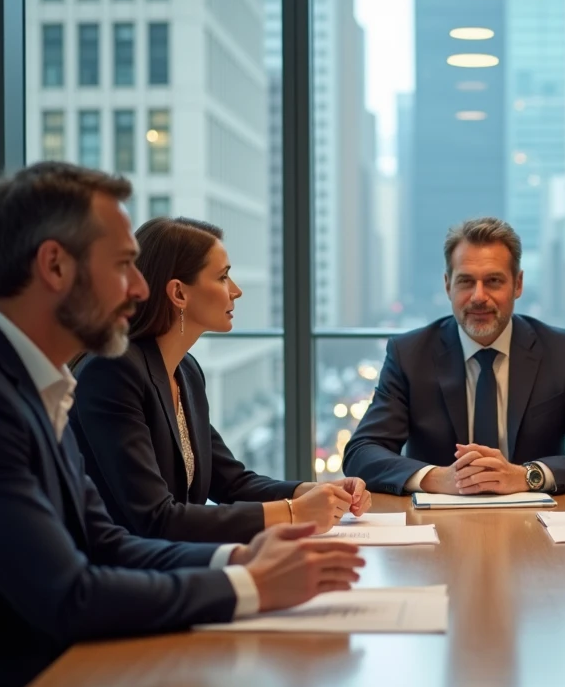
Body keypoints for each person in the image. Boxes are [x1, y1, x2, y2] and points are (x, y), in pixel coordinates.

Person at [0, 163, 365, 687]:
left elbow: (107, 542)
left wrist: (241, 556)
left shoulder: (32, 384)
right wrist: (253, 586)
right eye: (124, 264)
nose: (140, 287)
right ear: (54, 265)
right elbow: (71, 595)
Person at [71, 216, 369, 544]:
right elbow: (156, 519)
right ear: (179, 293)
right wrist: (295, 511)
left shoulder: (186, 371)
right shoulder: (112, 372)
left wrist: (316, 491)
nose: (236, 291)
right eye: (223, 277)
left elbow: (232, 482)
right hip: (124, 579)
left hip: (177, 565)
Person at [342, 217, 565, 495]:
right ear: (448, 285)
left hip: (536, 526)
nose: (479, 296)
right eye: (466, 282)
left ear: (517, 285)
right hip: (437, 527)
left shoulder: (563, 352)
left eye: (493, 281)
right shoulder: (409, 355)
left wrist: (526, 476)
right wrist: (438, 478)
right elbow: (361, 452)